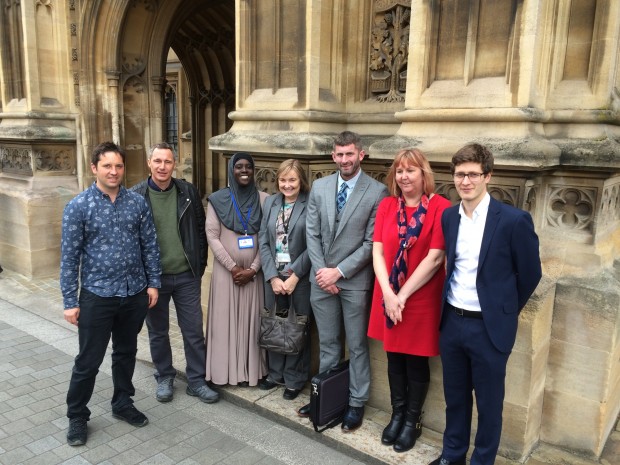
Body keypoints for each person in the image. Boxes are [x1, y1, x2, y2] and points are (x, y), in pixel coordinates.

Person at [429, 144, 542, 465]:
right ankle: (452, 455)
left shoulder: (513, 220)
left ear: (487, 177)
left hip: (489, 328)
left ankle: (482, 461)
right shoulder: (449, 217)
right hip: (452, 322)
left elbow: (531, 274)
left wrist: (503, 310)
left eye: (473, 175)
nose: (465, 181)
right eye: (460, 174)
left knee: (490, 404)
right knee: (456, 398)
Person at [60, 141, 161, 446]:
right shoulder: (79, 206)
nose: (114, 171)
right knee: (89, 360)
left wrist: (153, 282)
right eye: (107, 166)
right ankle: (77, 415)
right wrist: (69, 301)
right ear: (94, 168)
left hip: (133, 294)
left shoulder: (137, 203)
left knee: (126, 352)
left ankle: (122, 402)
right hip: (97, 296)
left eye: (118, 166)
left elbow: (150, 245)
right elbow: (69, 257)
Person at [299, 130, 388, 432]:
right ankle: (325, 395)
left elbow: (371, 242)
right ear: (333, 156)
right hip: (321, 279)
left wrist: (339, 272)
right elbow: (311, 233)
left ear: (361, 154)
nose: (345, 159)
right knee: (328, 343)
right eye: (339, 154)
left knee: (358, 345)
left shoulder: (377, 192)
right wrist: (324, 271)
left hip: (353, 282)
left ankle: (355, 402)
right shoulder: (321, 187)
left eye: (350, 154)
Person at [368, 149, 451, 452]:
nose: (404, 176)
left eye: (411, 170)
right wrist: (389, 295)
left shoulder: (441, 208)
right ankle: (397, 413)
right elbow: (377, 251)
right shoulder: (388, 206)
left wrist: (401, 296)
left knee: (416, 361)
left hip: (420, 297)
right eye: (399, 171)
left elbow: (435, 257)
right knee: (393, 358)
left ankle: (412, 420)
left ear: (423, 174)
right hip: (388, 293)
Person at [130, 142, 218, 404]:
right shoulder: (136, 196)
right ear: (149, 163)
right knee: (158, 331)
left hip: (185, 276)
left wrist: (199, 267)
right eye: (157, 161)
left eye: (168, 162)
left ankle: (197, 380)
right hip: (153, 280)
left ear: (174, 164)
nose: (162, 167)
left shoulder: (187, 191)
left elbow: (200, 233)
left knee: (192, 330)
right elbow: (132, 242)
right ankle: (165, 375)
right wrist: (143, 280)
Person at [205, 152, 268, 387]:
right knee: (224, 322)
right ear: (231, 170)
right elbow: (212, 235)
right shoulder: (218, 199)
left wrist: (253, 268)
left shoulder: (264, 200)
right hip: (226, 274)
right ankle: (225, 373)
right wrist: (233, 267)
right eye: (239, 166)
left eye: (248, 167)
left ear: (254, 171)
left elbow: (268, 239)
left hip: (254, 275)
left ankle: (251, 372)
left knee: (252, 324)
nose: (244, 170)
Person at [258, 159, 312, 400]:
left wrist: (295, 276)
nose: (287, 185)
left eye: (292, 180)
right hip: (274, 276)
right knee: (275, 322)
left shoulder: (310, 204)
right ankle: (275, 373)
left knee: (297, 326)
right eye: (282, 180)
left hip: (299, 278)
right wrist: (271, 276)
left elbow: (315, 244)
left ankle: (294, 378)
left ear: (300, 180)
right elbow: (263, 240)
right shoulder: (270, 202)